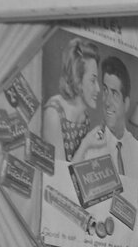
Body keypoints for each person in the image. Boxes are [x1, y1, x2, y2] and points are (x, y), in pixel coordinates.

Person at [41, 35, 102, 163]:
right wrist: (86, 144)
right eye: (92, 80)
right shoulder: (54, 114)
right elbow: (60, 178)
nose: (98, 88)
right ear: (78, 81)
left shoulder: (84, 117)